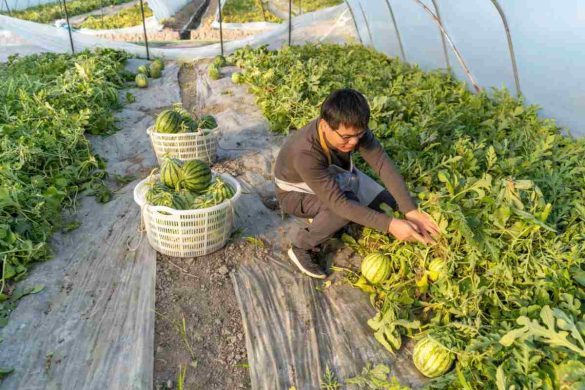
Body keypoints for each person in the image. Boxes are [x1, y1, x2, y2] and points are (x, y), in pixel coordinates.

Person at [274, 88, 440, 279]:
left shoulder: (352, 128)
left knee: (388, 204)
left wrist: (410, 210)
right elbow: (340, 204)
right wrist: (390, 225)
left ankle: (331, 221)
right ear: (325, 125)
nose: (353, 142)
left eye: (359, 135)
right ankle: (303, 246)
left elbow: (382, 164)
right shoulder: (306, 153)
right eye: (346, 137)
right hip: (294, 193)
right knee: (342, 210)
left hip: (332, 176)